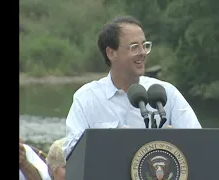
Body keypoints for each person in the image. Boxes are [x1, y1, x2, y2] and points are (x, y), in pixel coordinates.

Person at [63, 15, 202, 157]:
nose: (142, 53)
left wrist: (177, 141)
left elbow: (199, 141)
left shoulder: (165, 93)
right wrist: (114, 142)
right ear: (111, 53)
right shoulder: (87, 98)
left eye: (144, 45)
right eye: (134, 47)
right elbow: (72, 151)